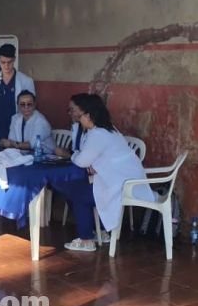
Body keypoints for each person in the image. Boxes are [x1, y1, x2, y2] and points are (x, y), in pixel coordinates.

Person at [63, 94, 156, 252]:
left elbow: (81, 161)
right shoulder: (107, 130)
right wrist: (90, 163)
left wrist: (74, 156)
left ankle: (87, 240)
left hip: (122, 185)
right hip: (120, 180)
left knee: (77, 194)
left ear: (89, 115)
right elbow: (92, 158)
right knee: (78, 190)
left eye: (82, 115)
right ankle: (100, 232)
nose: (79, 118)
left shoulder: (99, 134)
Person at [0, 44, 35, 143]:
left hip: (17, 130)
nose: (6, 66)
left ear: (14, 59)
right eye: (3, 62)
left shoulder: (26, 81)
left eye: (9, 62)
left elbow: (30, 106)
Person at [55, 93, 88, 158]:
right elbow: (75, 151)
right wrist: (66, 151)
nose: (69, 113)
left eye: (72, 110)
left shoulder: (95, 131)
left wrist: (68, 155)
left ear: (83, 110)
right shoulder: (77, 126)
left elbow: (85, 160)